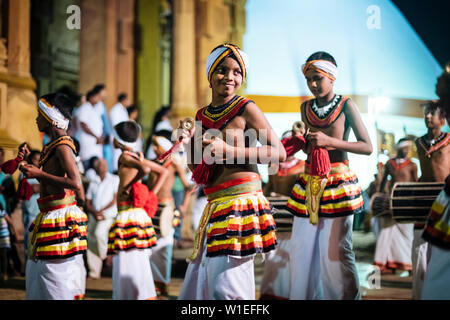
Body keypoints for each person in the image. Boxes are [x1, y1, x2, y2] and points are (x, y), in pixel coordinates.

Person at [177, 43, 285, 300]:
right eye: (222, 70)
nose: (230, 77)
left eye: (237, 72)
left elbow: (279, 152)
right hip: (215, 205)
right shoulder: (201, 115)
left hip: (241, 203)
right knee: (201, 286)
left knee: (226, 288)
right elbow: (199, 171)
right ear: (210, 75)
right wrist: (188, 141)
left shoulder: (247, 108)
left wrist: (229, 150)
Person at [286, 51, 372, 300]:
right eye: (309, 79)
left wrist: (329, 141)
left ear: (332, 78)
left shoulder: (346, 105)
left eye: (318, 78)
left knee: (336, 251)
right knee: (302, 249)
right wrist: (300, 139)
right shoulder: (305, 108)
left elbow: (367, 146)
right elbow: (309, 148)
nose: (313, 84)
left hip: (338, 183)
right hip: (309, 181)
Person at [20, 93, 88, 300]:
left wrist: (39, 174)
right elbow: (51, 181)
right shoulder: (53, 145)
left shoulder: (63, 145)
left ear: (49, 118)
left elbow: (76, 183)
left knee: (53, 279)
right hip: (50, 214)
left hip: (59, 216)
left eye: (39, 114)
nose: (36, 119)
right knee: (39, 275)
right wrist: (28, 167)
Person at [106, 120, 169, 300]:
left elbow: (146, 169)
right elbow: (161, 172)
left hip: (128, 214)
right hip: (136, 214)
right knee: (136, 259)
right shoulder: (137, 156)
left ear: (118, 141)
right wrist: (149, 194)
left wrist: (134, 184)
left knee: (126, 260)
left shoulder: (125, 157)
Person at [414, 68, 450, 299]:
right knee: (422, 249)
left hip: (444, 197)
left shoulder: (449, 140)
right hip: (433, 199)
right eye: (426, 112)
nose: (428, 116)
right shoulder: (419, 142)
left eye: (433, 112)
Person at [147, 134, 194, 299]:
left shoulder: (173, 162)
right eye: (153, 146)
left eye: (156, 146)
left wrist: (183, 205)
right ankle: (151, 286)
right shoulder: (153, 162)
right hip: (152, 206)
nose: (153, 149)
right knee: (151, 247)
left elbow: (189, 187)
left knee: (165, 249)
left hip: (167, 206)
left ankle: (163, 286)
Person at [259, 130, 305, 300]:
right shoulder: (273, 165)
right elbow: (268, 189)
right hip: (277, 217)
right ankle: (274, 293)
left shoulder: (303, 165)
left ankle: (293, 293)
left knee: (293, 257)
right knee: (272, 257)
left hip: (296, 217)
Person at [373, 138, 417, 274]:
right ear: (399, 148)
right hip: (391, 202)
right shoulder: (390, 164)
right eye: (405, 148)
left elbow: (415, 183)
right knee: (388, 233)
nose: (407, 151)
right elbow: (383, 182)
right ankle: (389, 264)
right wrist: (379, 196)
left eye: (409, 148)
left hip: (406, 204)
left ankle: (409, 264)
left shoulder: (412, 165)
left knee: (407, 234)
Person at [85, 159, 119, 279]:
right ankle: (94, 272)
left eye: (104, 164)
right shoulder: (93, 181)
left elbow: (114, 199)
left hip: (108, 215)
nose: (103, 167)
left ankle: (106, 256)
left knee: (99, 234)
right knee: (91, 241)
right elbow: (87, 201)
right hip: (94, 215)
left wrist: (101, 211)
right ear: (96, 168)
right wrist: (94, 212)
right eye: (100, 165)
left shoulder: (114, 179)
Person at [20, 150, 41, 259]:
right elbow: (32, 189)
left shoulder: (42, 172)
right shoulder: (24, 173)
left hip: (41, 211)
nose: (37, 162)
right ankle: (28, 264)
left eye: (39, 160)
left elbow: (37, 188)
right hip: (30, 212)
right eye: (35, 160)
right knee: (30, 240)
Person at [77, 89, 104, 170]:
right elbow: (83, 124)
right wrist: (96, 137)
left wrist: (100, 137)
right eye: (97, 97)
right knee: (88, 166)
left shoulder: (95, 109)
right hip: (88, 142)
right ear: (91, 97)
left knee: (97, 165)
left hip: (96, 143)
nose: (99, 99)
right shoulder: (84, 108)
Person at [110, 93, 130, 173]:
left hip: (123, 136)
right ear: (123, 100)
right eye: (127, 100)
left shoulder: (123, 109)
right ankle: (116, 171)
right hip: (117, 136)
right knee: (116, 155)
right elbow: (115, 124)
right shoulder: (116, 109)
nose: (129, 102)